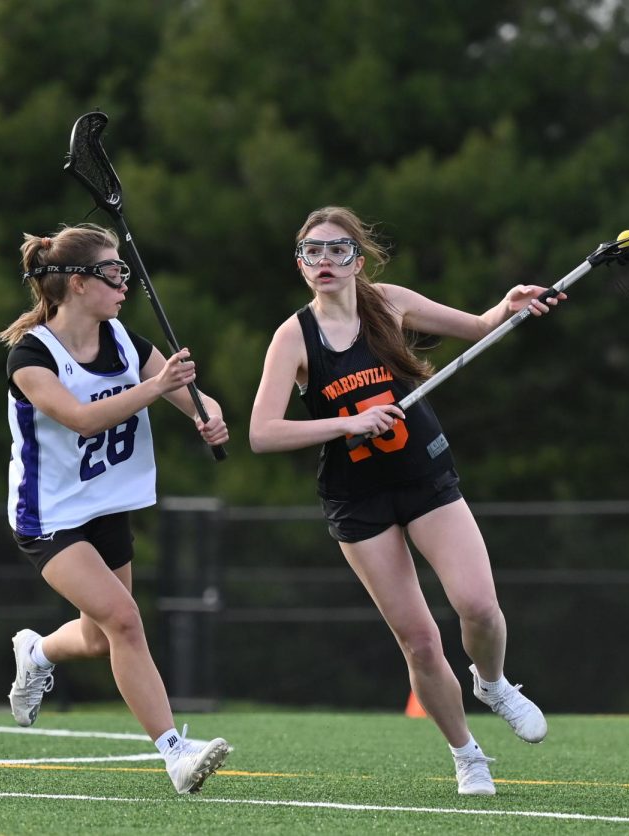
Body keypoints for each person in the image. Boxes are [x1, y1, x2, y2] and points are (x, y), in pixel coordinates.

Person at [249, 206, 565, 796]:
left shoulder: (388, 302)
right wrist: (346, 426)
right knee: (418, 640)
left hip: (424, 477)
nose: (324, 261)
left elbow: (478, 326)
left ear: (357, 261)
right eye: (311, 251)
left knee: (478, 605)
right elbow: (262, 432)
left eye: (337, 250)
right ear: (300, 264)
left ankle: (492, 682)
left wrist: (509, 307)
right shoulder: (293, 337)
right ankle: (467, 754)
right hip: (357, 500)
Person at [0, 222, 231, 795]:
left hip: (107, 508)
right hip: (48, 516)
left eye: (123, 271)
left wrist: (209, 415)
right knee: (125, 619)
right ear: (77, 284)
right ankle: (174, 753)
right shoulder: (31, 357)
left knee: (101, 636)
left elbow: (187, 396)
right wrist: (155, 389)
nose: (124, 283)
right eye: (112, 272)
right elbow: (80, 417)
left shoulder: (125, 340)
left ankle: (38, 650)